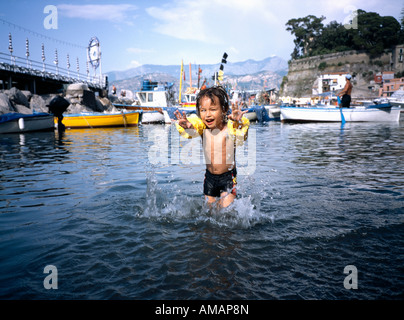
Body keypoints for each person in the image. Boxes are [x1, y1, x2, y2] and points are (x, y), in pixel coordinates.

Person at [174, 86, 250, 208]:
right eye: (203, 110)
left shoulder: (230, 128)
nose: (208, 115)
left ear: (224, 110)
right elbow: (193, 132)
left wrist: (238, 122)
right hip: (209, 178)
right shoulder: (203, 129)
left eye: (213, 109)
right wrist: (188, 126)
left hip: (228, 177)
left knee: (227, 211)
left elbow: (242, 135)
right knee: (210, 213)